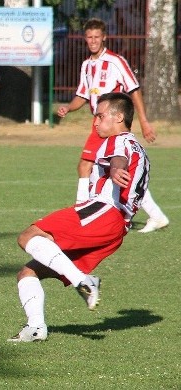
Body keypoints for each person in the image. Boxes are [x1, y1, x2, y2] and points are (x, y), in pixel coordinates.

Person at [8, 92, 149, 342]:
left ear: (118, 117)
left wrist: (116, 170)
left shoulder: (118, 140)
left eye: (100, 115)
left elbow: (118, 160)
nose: (95, 122)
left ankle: (84, 282)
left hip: (105, 212)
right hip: (115, 229)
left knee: (28, 236)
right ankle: (36, 328)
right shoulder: (137, 146)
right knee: (28, 273)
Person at [57, 18, 168, 233]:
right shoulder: (86, 65)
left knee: (85, 166)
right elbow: (82, 95)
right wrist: (68, 108)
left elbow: (133, 89)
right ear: (85, 38)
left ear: (104, 37)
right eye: (89, 37)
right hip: (98, 122)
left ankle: (81, 212)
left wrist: (144, 121)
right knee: (113, 171)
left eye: (97, 37)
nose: (93, 41)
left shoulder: (116, 61)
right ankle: (156, 215)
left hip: (111, 123)